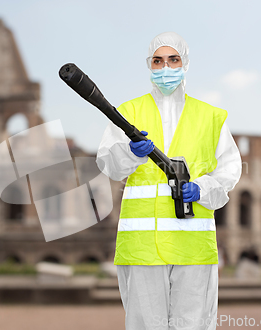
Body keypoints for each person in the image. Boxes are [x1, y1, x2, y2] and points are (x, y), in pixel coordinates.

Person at [96, 32, 242, 330]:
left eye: (173, 60)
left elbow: (230, 169)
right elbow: (107, 163)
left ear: (184, 63)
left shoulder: (210, 116)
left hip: (192, 243)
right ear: (149, 65)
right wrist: (131, 154)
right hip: (142, 244)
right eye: (158, 61)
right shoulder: (128, 112)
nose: (165, 68)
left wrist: (202, 188)